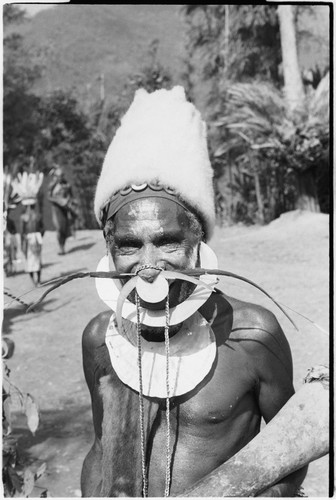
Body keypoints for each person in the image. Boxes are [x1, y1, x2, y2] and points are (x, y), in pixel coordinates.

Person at [80, 87, 307, 497]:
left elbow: (292, 453)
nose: (148, 265)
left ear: (197, 241)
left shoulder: (252, 335)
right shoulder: (101, 340)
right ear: (110, 252)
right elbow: (100, 449)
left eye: (167, 241)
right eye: (129, 245)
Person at [48, 167, 77, 255]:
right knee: (59, 227)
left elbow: (71, 196)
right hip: (56, 208)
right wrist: (58, 201)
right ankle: (60, 247)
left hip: (65, 208)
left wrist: (69, 201)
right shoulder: (52, 185)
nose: (59, 178)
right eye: (58, 176)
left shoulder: (67, 185)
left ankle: (63, 246)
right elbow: (49, 197)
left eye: (61, 176)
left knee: (64, 227)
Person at [19, 199, 44, 286]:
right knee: (32, 261)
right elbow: (42, 229)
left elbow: (22, 232)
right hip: (31, 240)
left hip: (32, 240)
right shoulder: (33, 216)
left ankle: (37, 281)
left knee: (35, 260)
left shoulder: (33, 216)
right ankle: (36, 281)